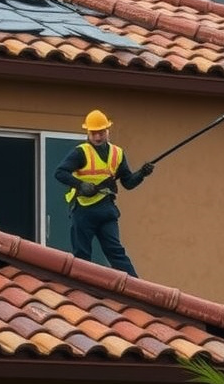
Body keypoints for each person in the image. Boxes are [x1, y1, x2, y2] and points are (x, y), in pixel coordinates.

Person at [53, 109, 154, 277]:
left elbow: (128, 183)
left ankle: (137, 288)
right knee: (82, 256)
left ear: (107, 131)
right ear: (88, 133)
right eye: (94, 133)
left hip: (106, 210)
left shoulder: (117, 153)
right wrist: (80, 185)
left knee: (116, 253)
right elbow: (60, 172)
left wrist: (142, 174)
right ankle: (82, 291)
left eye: (100, 132)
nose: (97, 137)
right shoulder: (81, 152)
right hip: (84, 210)